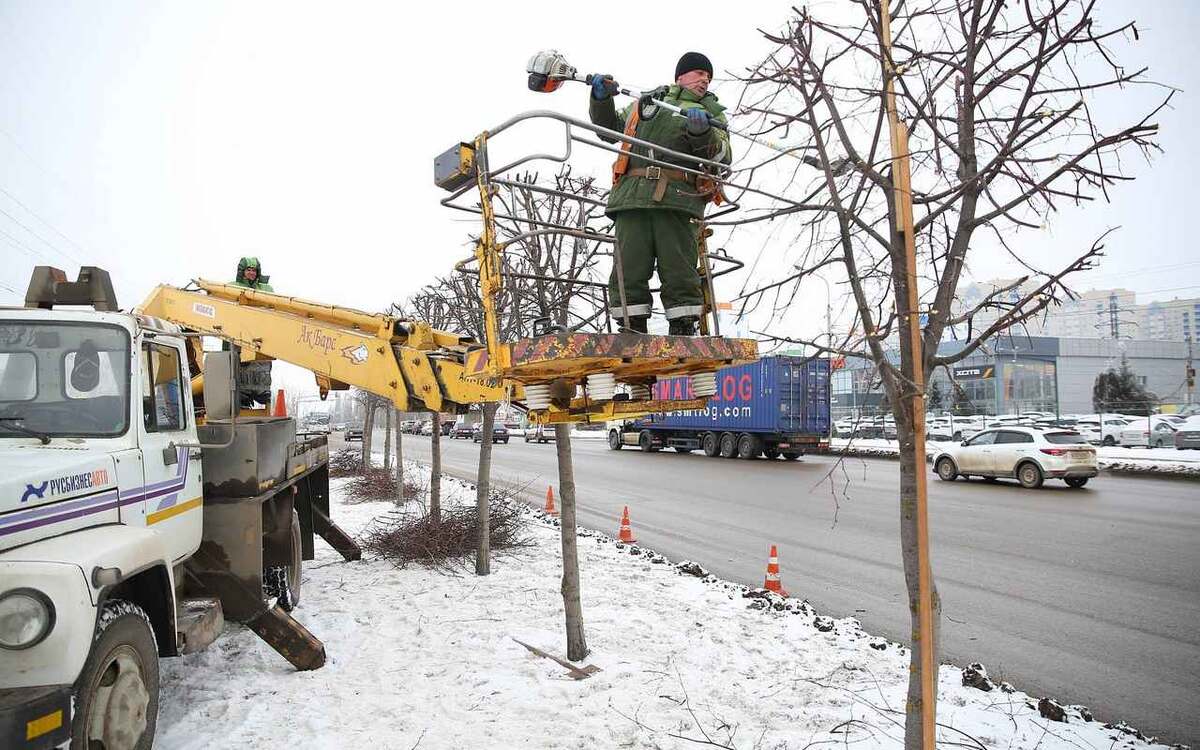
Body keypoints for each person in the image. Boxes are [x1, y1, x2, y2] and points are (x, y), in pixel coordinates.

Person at [588, 52, 732, 335]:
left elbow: (723, 157)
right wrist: (601, 100)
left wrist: (702, 133)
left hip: (677, 199)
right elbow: (609, 130)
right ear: (680, 76)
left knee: (679, 267)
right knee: (628, 267)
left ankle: (683, 325)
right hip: (632, 197)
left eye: (708, 77)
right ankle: (631, 327)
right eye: (699, 73)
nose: (705, 80)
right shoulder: (647, 103)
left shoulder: (711, 114)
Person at [230, 256, 273, 406]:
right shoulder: (232, 287)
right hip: (238, 334)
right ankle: (243, 395)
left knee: (262, 362)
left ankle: (261, 391)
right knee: (239, 365)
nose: (251, 273)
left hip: (260, 334)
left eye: (254, 270)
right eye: (248, 269)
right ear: (242, 271)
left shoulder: (265, 290)